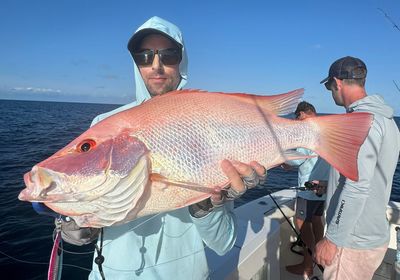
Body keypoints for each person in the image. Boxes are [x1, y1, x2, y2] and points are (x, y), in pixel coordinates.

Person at [61, 16, 267, 280]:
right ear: (135, 63)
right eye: (144, 56)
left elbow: (223, 243)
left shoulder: (211, 125)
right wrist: (77, 223)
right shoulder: (104, 125)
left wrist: (207, 208)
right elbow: (90, 207)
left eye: (168, 55)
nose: (156, 66)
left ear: (183, 60)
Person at [314, 56, 400, 280]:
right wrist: (330, 185)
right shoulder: (386, 119)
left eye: (328, 87)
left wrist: (333, 239)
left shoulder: (362, 123)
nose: (330, 91)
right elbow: (366, 177)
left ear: (337, 82)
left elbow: (357, 187)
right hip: (368, 234)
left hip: (352, 241)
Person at [283, 101, 330, 278]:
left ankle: (307, 266)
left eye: (297, 117)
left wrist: (282, 160)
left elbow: (296, 159)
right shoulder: (325, 131)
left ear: (302, 114)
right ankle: (318, 258)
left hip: (308, 190)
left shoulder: (308, 131)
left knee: (302, 224)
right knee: (317, 221)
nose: (297, 121)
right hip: (323, 189)